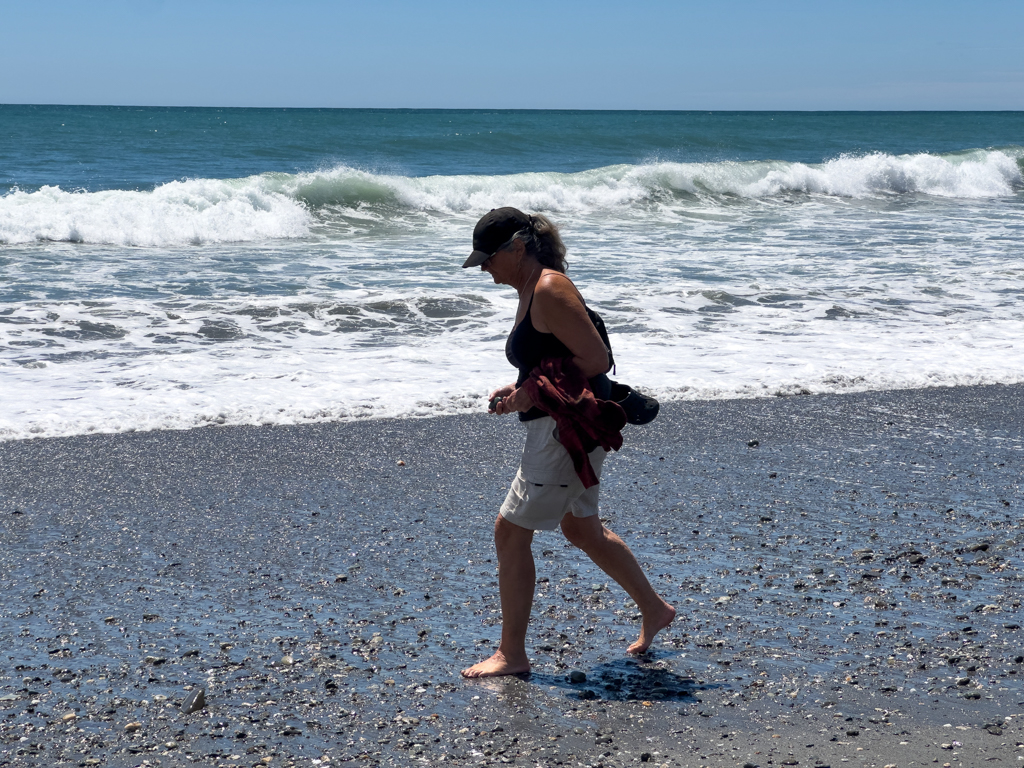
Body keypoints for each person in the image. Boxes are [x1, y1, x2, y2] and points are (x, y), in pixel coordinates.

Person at [460, 207, 676, 679]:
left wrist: (527, 395)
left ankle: (511, 655)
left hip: (563, 432)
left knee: (510, 531)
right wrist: (516, 389)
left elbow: (595, 360)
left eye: (488, 259)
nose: (484, 270)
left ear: (518, 247)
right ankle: (655, 609)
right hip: (569, 428)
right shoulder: (532, 288)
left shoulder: (548, 288)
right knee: (581, 530)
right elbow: (552, 358)